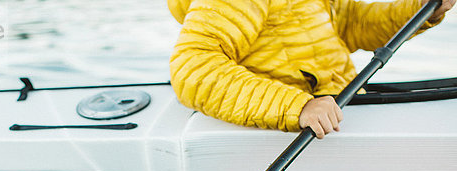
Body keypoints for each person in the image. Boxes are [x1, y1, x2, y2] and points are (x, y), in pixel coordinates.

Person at [168, 0, 455, 138]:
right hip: (300, 121)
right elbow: (192, 67)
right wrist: (298, 106)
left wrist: (421, 9)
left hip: (340, 105)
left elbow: (351, 23)